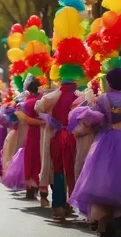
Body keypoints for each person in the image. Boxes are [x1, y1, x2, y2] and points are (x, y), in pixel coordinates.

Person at [69, 68, 121, 237]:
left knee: (103, 181)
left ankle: (105, 222)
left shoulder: (103, 99)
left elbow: (94, 119)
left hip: (106, 142)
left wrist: (84, 111)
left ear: (110, 82)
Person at [35, 79, 79, 220]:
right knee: (73, 170)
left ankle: (58, 206)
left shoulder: (52, 96)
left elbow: (38, 108)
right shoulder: (81, 96)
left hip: (57, 137)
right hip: (77, 137)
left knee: (58, 170)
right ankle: (69, 202)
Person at [17, 77, 49, 206]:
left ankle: (31, 188)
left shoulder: (28, 102)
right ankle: (40, 188)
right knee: (42, 159)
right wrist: (44, 122)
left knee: (32, 158)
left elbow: (27, 120)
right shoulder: (45, 100)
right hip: (44, 132)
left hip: (33, 133)